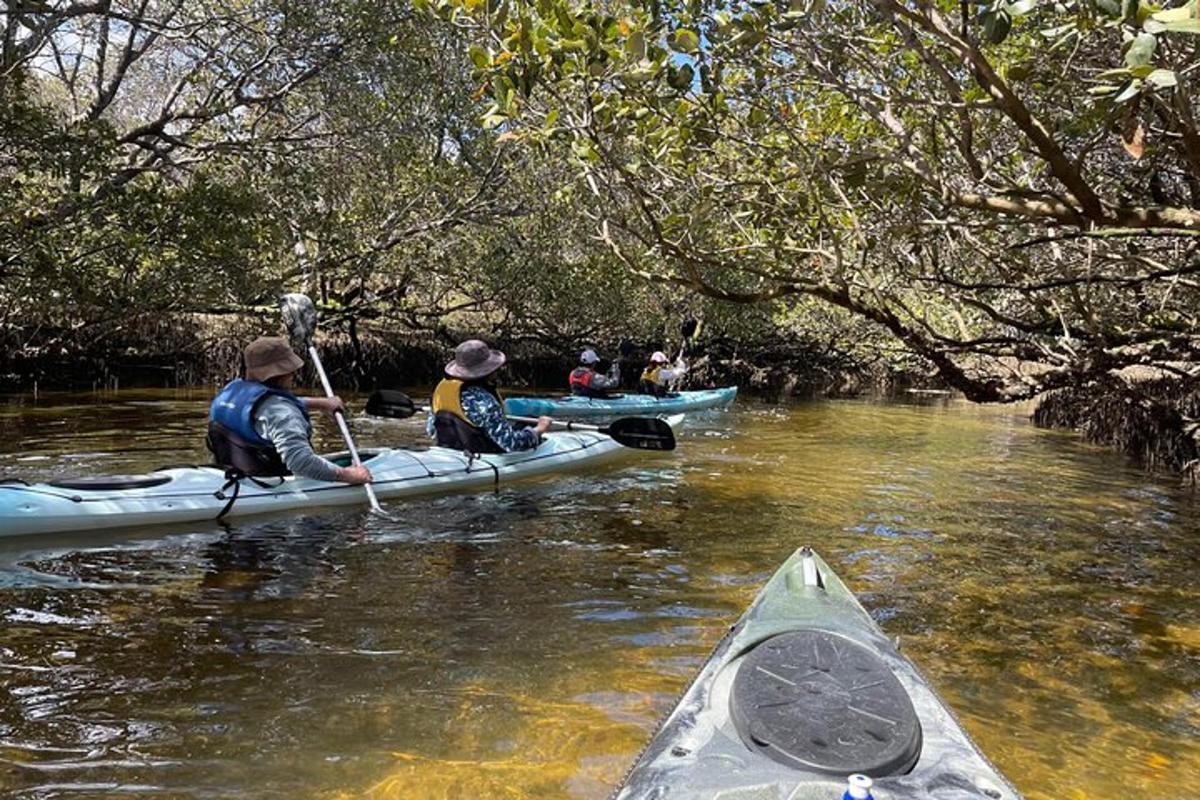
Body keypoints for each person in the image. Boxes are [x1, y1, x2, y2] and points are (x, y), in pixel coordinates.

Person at [207, 336, 373, 483]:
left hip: (231, 474)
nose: (294, 373)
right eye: (291, 370)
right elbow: (300, 462)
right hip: (267, 483)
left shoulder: (231, 392)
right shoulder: (282, 412)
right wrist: (348, 475)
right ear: (282, 372)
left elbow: (269, 409)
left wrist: (321, 403)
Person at [429, 339, 552, 454]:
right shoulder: (485, 402)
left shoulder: (440, 390)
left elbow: (431, 431)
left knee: (521, 423)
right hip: (481, 457)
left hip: (449, 452)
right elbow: (511, 444)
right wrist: (539, 429)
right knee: (528, 426)